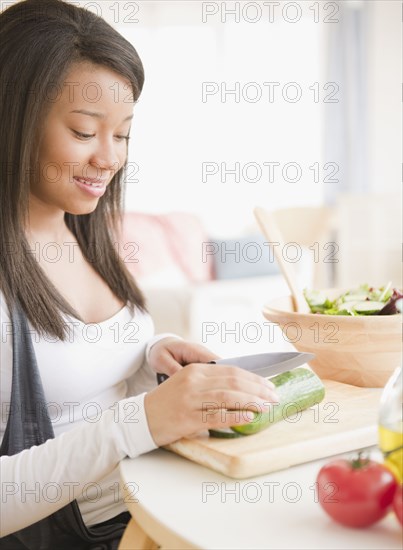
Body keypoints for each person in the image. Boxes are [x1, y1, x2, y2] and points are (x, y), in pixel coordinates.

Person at [0, 0, 278, 545]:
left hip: (154, 514)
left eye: (123, 134)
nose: (110, 158)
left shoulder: (81, 227)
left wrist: (150, 357)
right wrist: (143, 419)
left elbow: (87, 379)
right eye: (84, 132)